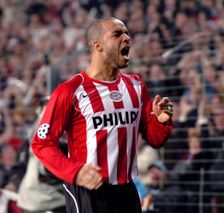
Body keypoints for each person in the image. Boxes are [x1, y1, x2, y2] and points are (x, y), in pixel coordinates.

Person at [31, 17, 173, 213]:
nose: (126, 38)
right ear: (98, 46)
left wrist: (161, 122)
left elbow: (155, 139)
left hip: (127, 190)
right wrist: (76, 172)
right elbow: (42, 143)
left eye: (126, 33)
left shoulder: (136, 86)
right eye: (117, 34)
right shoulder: (71, 91)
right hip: (89, 191)